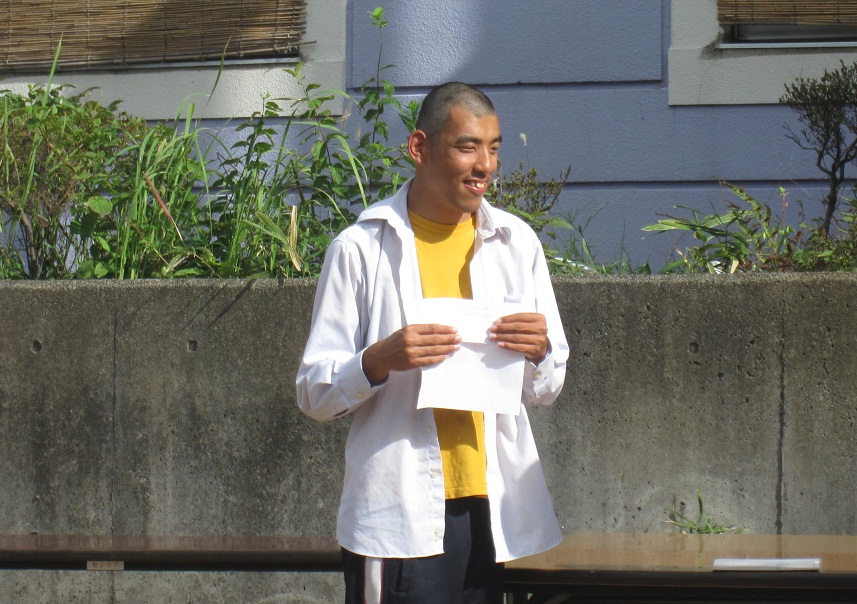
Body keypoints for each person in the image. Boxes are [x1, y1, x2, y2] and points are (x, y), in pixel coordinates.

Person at [296, 82, 568, 604]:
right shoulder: (361, 248)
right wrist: (378, 360)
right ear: (419, 147)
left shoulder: (516, 244)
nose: (485, 165)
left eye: (494, 148)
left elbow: (547, 387)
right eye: (468, 147)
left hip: (493, 509)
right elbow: (313, 392)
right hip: (400, 512)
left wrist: (539, 353)